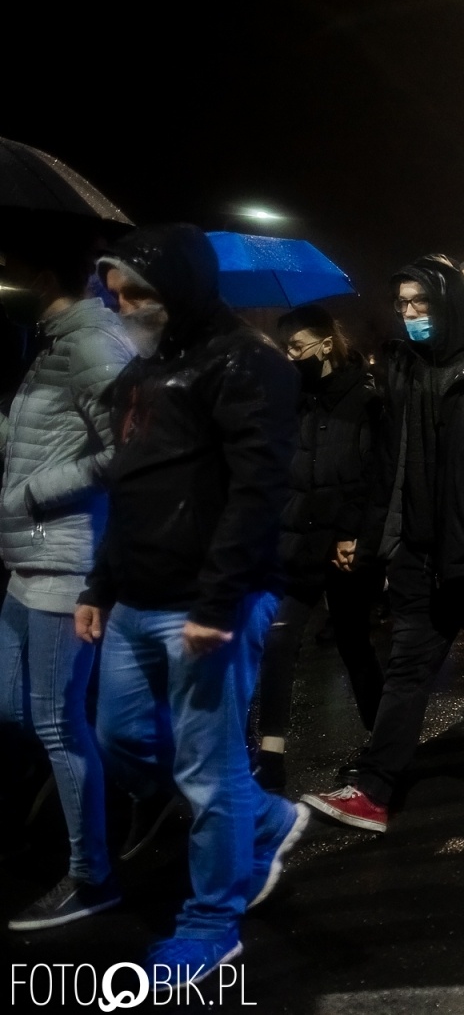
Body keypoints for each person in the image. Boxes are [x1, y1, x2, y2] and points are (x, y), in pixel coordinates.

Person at [76, 224, 304, 983]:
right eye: (113, 294)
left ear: (178, 289)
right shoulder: (143, 373)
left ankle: (213, 923)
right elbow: (132, 491)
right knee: (123, 740)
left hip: (205, 607)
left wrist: (220, 598)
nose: (123, 306)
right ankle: (265, 818)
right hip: (137, 600)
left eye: (135, 292)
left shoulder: (248, 364)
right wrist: (101, 586)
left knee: (210, 773)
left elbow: (257, 490)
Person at [303, 254, 464, 833]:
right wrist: (376, 539)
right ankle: (374, 789)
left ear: (449, 303)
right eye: (404, 305)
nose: (412, 314)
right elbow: (383, 458)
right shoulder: (404, 369)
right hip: (419, 553)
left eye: (422, 303)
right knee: (408, 670)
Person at [0, 231, 134, 931]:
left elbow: (128, 447)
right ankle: (120, 788)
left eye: (7, 266)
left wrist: (32, 493)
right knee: (14, 710)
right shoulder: (49, 341)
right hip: (24, 562)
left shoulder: (93, 343)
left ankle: (94, 874)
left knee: (56, 722)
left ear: (45, 271)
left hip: (64, 558)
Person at [251, 306, 385, 793]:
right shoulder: (294, 398)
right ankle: (271, 754)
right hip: (300, 541)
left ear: (326, 345)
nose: (291, 357)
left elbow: (373, 477)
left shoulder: (369, 398)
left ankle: (385, 744)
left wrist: (354, 535)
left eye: (297, 348)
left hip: (344, 546)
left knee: (354, 643)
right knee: (279, 639)